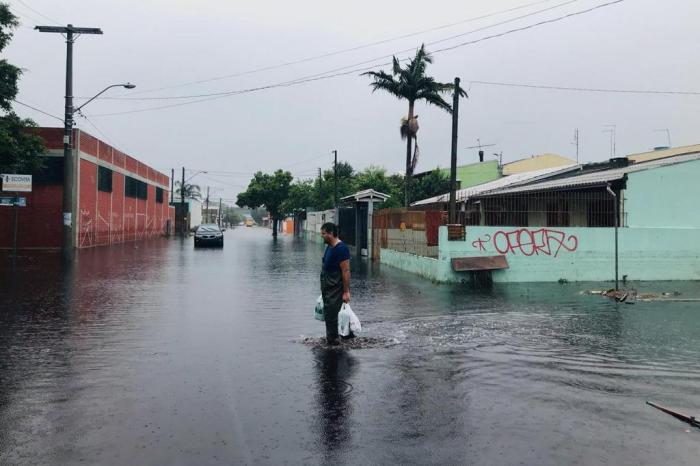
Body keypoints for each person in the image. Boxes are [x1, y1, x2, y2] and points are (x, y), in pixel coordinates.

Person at [320, 222, 351, 345]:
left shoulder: (341, 249)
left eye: (323, 234)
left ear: (331, 234)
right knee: (329, 314)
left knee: (332, 315)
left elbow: (346, 271)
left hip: (335, 288)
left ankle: (334, 343)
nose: (321, 236)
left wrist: (346, 292)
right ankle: (331, 339)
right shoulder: (329, 247)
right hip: (327, 287)